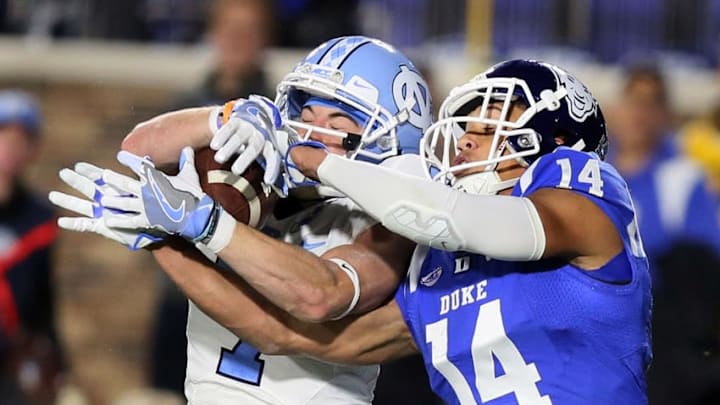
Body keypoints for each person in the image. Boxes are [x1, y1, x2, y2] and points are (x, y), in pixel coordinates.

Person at [56, 58, 651, 404]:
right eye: (465, 120)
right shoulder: (443, 267)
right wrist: (170, 233)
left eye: (490, 120)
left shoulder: (584, 185)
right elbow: (300, 337)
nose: (466, 137)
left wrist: (306, 155)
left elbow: (463, 219)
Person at [50, 36, 433, 404]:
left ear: (392, 140)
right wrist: (227, 115)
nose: (309, 135)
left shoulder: (387, 226)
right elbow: (136, 149)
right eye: (305, 114)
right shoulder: (254, 173)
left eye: (337, 124)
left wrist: (188, 230)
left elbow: (316, 297)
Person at [149, 0, 274, 394]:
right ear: (214, 35)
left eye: (249, 31)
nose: (238, 40)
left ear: (265, 40)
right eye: (230, 29)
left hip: (252, 289)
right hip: (187, 284)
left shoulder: (278, 112)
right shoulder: (184, 106)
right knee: (170, 389)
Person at [607, 63, 720, 268]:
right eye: (633, 101)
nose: (639, 114)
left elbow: (704, 263)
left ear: (665, 114)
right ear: (616, 108)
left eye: (650, 104)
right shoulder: (588, 172)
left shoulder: (684, 179)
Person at [0, 90, 64, 404]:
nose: (10, 149)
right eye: (3, 137)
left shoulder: (38, 218)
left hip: (12, 359)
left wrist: (55, 356)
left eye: (20, 140)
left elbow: (43, 299)